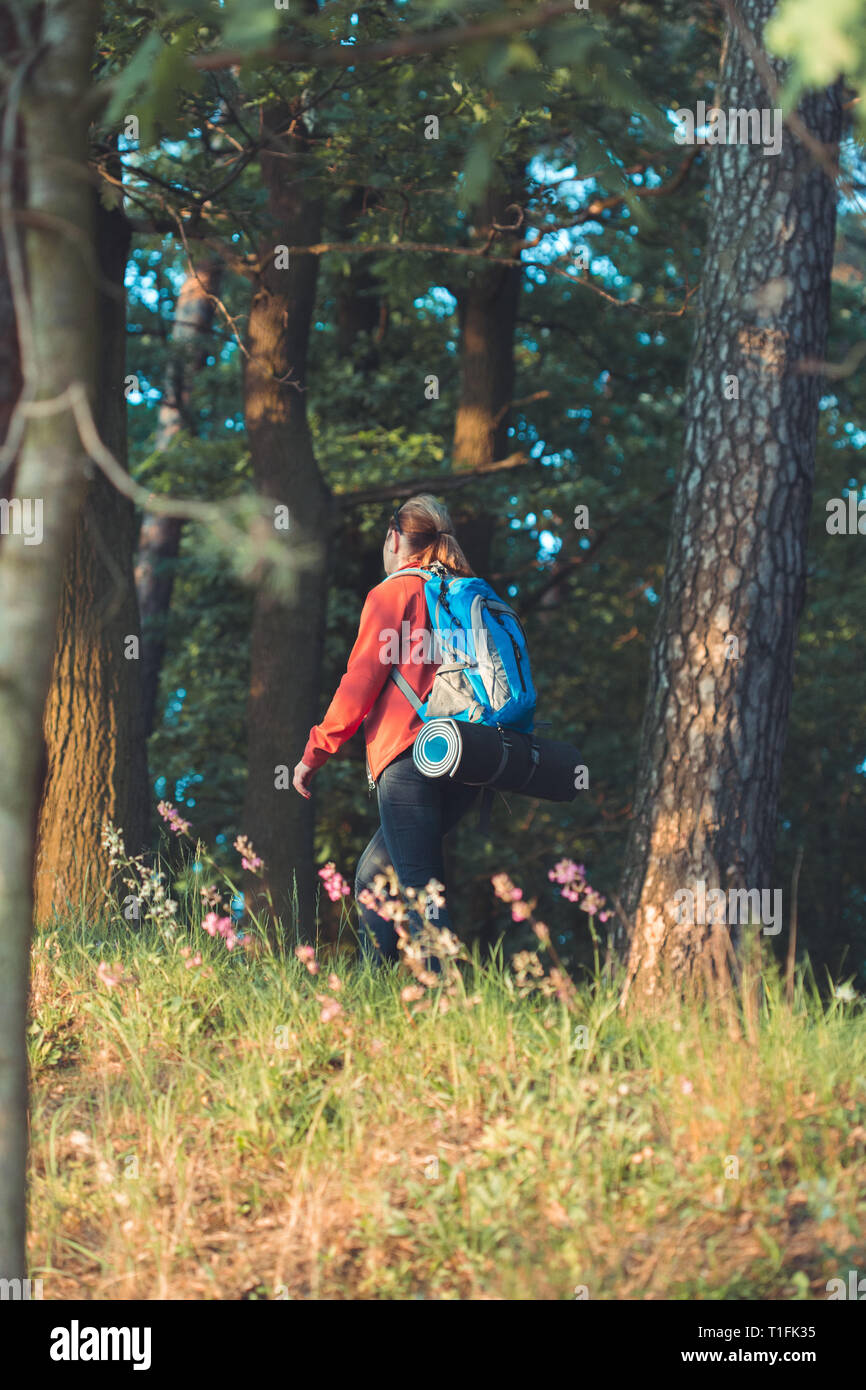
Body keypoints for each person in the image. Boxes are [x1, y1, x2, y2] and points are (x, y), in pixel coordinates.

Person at [292, 494, 479, 965]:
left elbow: (359, 685)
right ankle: (377, 996)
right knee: (376, 880)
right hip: (470, 757)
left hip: (414, 758)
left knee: (419, 891)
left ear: (395, 540)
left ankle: (448, 1008)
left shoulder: (392, 593)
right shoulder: (464, 593)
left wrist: (314, 753)